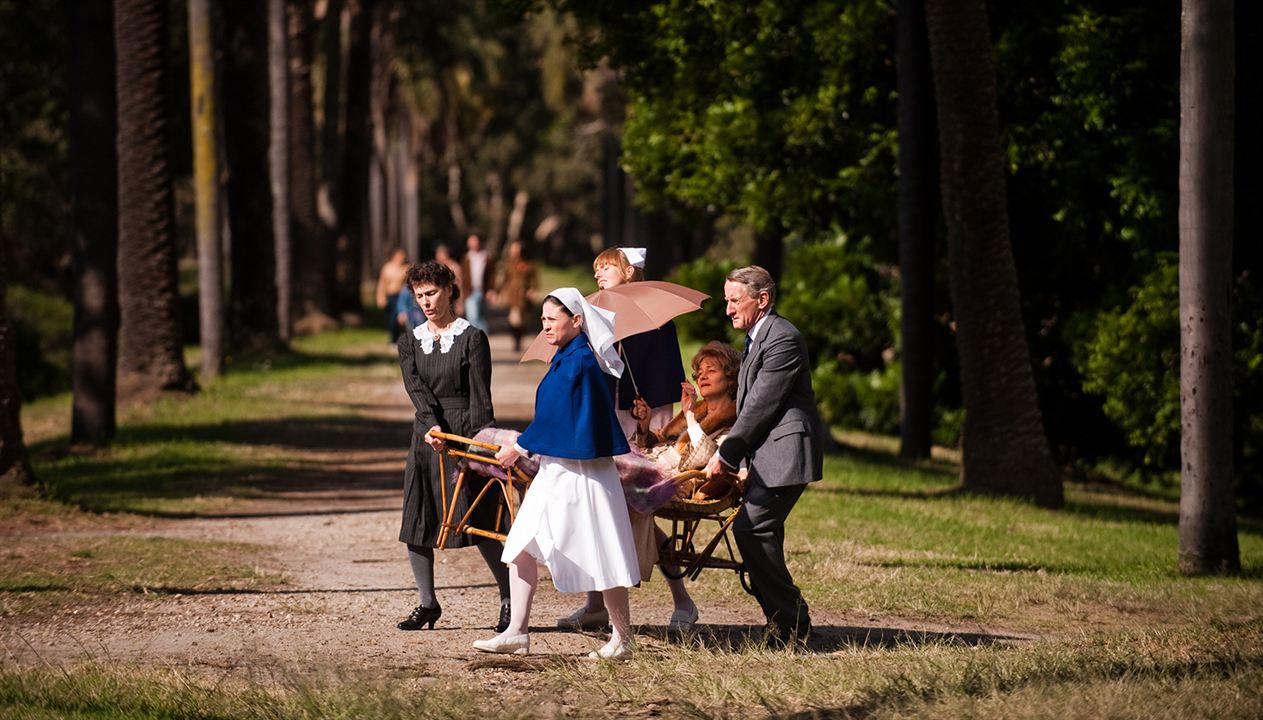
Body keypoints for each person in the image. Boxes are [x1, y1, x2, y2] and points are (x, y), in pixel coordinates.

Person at [473, 289, 640, 660]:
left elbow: (558, 418)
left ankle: (623, 638)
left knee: (603, 553)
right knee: (518, 547)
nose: (545, 326)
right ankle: (517, 632)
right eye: (543, 319)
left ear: (576, 321)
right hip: (556, 470)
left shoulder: (580, 361)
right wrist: (526, 445)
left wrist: (518, 446)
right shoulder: (566, 357)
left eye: (552, 319)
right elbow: (555, 417)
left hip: (584, 475)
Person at [556, 247, 698, 634]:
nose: (599, 273)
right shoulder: (594, 315)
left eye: (607, 267)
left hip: (643, 427)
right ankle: (595, 604)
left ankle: (682, 599)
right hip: (605, 423)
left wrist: (648, 413)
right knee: (596, 509)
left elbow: (665, 380)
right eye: (596, 268)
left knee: (641, 510)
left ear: (630, 272)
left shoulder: (655, 321)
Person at [703, 265, 824, 647]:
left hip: (786, 454)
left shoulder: (783, 339)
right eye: (727, 301)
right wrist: (740, 461)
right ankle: (786, 624)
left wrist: (726, 455)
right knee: (763, 533)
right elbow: (748, 404)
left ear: (762, 299)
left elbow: (760, 406)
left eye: (734, 301)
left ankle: (791, 620)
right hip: (767, 455)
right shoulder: (756, 337)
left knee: (751, 529)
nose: (728, 310)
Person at [396, 261, 511, 634]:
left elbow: (481, 398)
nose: (426, 302)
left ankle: (509, 598)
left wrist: (483, 445)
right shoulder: (409, 341)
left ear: (449, 290)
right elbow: (416, 390)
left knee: (478, 519)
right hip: (427, 438)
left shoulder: (472, 338)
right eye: (419, 296)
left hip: (465, 435)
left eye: (431, 293)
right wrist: (430, 426)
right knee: (418, 518)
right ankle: (427, 603)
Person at [495, 241, 538, 352]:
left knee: (522, 320)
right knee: (514, 319)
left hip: (524, 296)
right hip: (513, 296)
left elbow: (534, 279)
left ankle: (519, 339)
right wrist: (498, 292)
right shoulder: (508, 264)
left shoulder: (529, 264)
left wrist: (532, 290)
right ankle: (516, 341)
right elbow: (504, 279)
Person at [459, 234, 496, 332]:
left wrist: (491, 290)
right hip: (469, 291)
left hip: (481, 290)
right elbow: (463, 277)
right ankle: (480, 336)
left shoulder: (486, 257)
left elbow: (492, 275)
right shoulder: (466, 258)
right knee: (473, 316)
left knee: (476, 315)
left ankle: (481, 336)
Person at [375, 247, 409, 343]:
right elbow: (382, 284)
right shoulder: (387, 267)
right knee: (392, 319)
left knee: (399, 318)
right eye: (399, 255)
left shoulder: (406, 268)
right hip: (390, 296)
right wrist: (380, 297)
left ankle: (399, 339)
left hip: (401, 297)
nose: (402, 257)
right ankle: (393, 338)